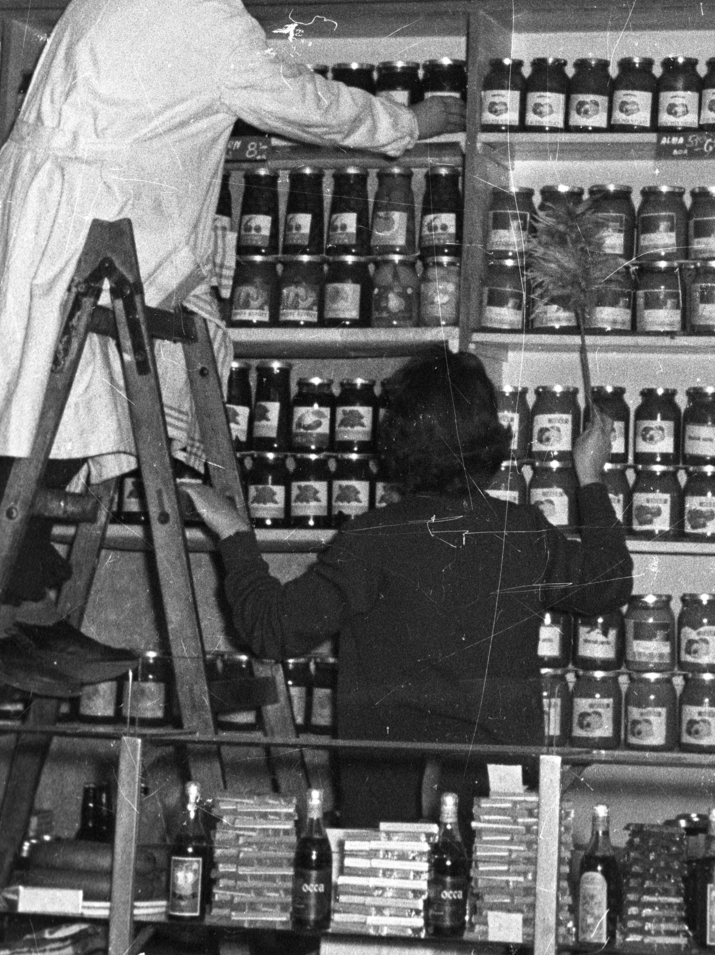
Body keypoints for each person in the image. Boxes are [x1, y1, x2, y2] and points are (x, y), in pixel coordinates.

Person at [0, 0, 464, 599]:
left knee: (37, 380)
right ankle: (10, 569)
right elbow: (304, 104)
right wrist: (408, 123)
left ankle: (13, 564)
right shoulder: (209, 18)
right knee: (72, 380)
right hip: (95, 215)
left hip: (43, 203)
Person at [185, 348, 633, 826]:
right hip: (497, 804)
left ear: (398, 438)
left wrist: (233, 533)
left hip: (387, 799)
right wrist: (589, 477)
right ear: (489, 432)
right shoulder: (523, 530)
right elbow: (610, 583)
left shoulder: (372, 538)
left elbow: (271, 630)